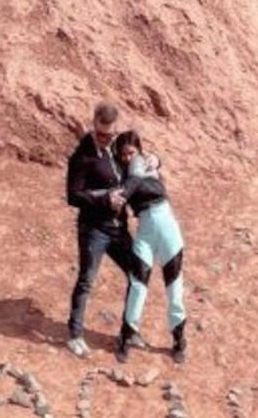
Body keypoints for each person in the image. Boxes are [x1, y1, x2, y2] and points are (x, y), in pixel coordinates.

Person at [65, 102, 146, 358]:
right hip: (94, 230)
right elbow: (73, 196)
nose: (104, 139)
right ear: (94, 125)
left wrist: (154, 161)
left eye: (109, 135)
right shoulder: (82, 157)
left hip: (118, 228)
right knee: (87, 281)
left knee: (137, 274)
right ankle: (75, 334)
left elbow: (138, 158)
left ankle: (130, 330)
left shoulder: (117, 149)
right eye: (100, 134)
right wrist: (104, 200)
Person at [109, 130, 187, 365]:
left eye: (131, 152)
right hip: (145, 227)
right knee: (138, 284)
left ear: (139, 151)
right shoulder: (126, 170)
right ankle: (127, 334)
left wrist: (122, 192)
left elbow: (137, 177)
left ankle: (179, 339)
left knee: (174, 285)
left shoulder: (142, 162)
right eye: (123, 154)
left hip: (166, 223)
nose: (127, 158)